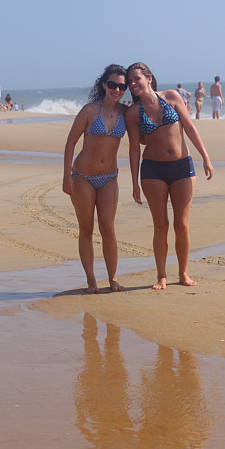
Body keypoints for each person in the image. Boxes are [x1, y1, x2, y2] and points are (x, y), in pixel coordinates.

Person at [125, 62, 214, 290]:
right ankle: (161, 276)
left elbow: (190, 127)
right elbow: (134, 148)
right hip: (153, 170)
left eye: (136, 79)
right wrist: (134, 182)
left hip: (182, 167)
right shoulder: (133, 112)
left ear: (149, 78)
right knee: (160, 225)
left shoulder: (172, 96)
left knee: (182, 224)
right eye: (130, 81)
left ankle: (183, 273)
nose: (133, 84)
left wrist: (205, 157)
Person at [62, 64, 127, 294]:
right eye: (112, 85)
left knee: (108, 229)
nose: (117, 90)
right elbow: (70, 141)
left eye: (122, 86)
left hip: (109, 178)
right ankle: (91, 280)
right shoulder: (90, 110)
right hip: (83, 178)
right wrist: (67, 175)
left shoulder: (125, 112)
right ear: (103, 85)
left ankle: (113, 279)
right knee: (86, 229)